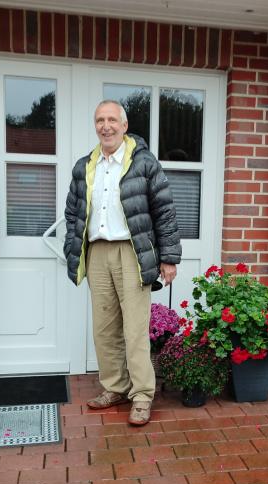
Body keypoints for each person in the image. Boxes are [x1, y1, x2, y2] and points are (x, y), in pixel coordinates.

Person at [64, 100, 181, 426]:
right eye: (100, 120)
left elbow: (164, 211)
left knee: (134, 329)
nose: (106, 126)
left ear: (124, 125)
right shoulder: (85, 165)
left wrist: (169, 257)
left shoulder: (144, 163)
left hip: (132, 251)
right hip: (97, 251)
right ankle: (115, 387)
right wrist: (72, 248)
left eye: (112, 120)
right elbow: (72, 212)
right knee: (104, 328)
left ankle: (141, 395)